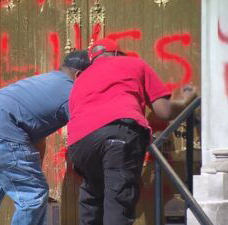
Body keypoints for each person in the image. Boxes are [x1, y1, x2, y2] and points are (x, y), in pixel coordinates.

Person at [67, 39, 197, 225]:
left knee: (92, 197)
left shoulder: (80, 80)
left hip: (79, 144)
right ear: (117, 53)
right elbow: (164, 111)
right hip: (118, 133)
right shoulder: (134, 63)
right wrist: (185, 101)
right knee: (118, 201)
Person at [0, 50, 90, 225]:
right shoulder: (72, 92)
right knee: (32, 196)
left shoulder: (46, 81)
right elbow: (83, 133)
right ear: (79, 74)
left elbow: (36, 136)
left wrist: (35, 171)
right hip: (1, 130)